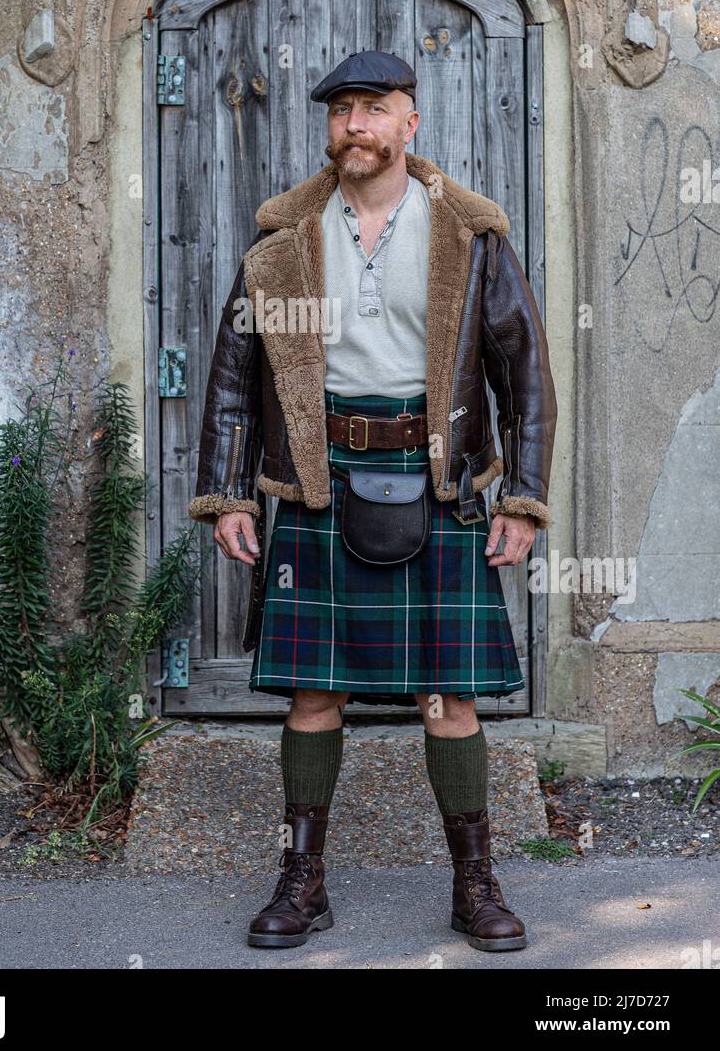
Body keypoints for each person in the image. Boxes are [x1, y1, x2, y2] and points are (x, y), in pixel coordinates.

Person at [188, 50, 557, 952]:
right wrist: (229, 493)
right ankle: (301, 879)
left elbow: (526, 375)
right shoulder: (284, 239)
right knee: (314, 693)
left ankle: (475, 884)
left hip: (438, 484)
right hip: (318, 484)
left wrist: (523, 498)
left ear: (410, 123)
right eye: (343, 110)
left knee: (452, 698)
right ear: (330, 127)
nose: (356, 125)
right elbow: (234, 375)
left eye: (375, 109)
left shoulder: (469, 235)